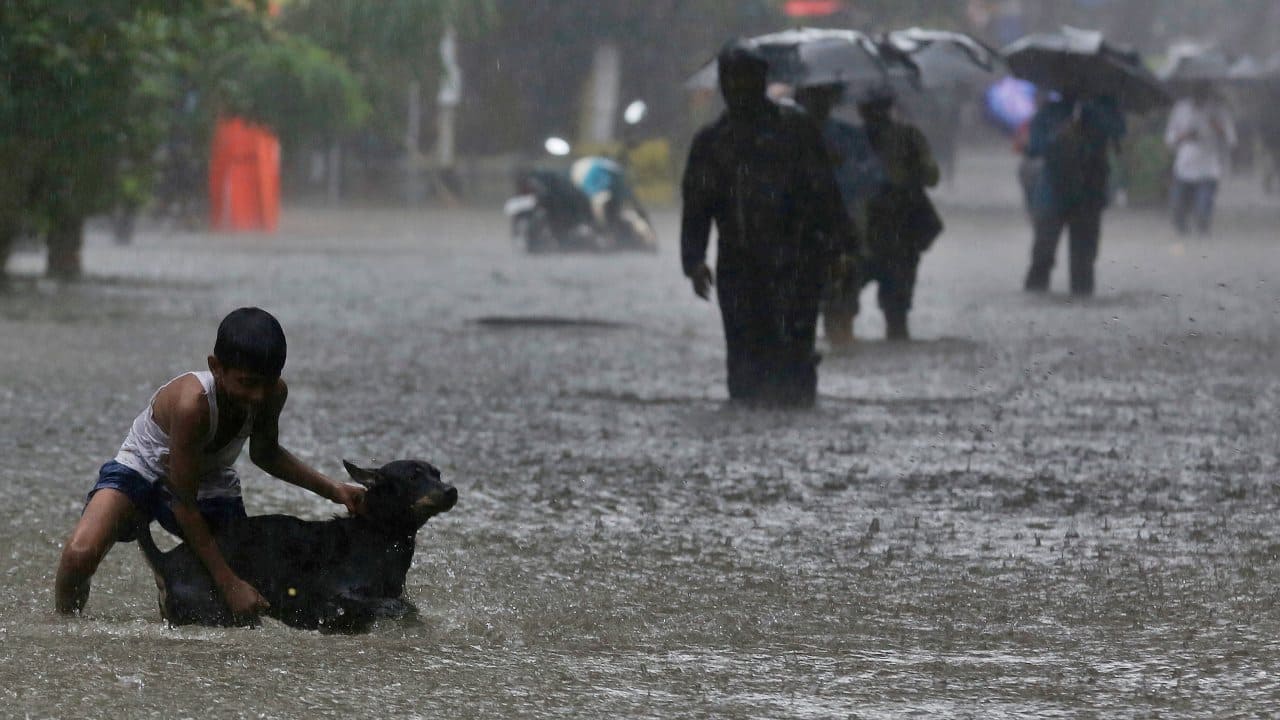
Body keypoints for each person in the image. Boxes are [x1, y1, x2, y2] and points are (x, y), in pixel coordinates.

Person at [54, 307, 366, 617]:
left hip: (210, 481)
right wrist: (229, 585)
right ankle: (65, 628)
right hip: (142, 470)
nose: (257, 396)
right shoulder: (194, 405)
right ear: (215, 367)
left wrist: (335, 491)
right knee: (79, 556)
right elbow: (184, 505)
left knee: (248, 581)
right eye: (247, 383)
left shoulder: (273, 394)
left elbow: (265, 453)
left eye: (267, 383)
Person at [680, 41, 855, 407]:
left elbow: (824, 192)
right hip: (740, 263)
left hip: (798, 260)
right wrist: (694, 261)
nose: (737, 88)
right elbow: (697, 205)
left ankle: (794, 404)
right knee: (745, 359)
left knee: (794, 354)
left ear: (761, 80)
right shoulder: (712, 142)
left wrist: (839, 247)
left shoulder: (796, 129)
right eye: (730, 80)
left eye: (745, 79)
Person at [793, 82, 883, 347]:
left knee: (843, 294)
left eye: (822, 96)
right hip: (798, 229)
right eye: (811, 96)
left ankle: (840, 334)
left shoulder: (848, 136)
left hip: (843, 226)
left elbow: (873, 179)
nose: (816, 103)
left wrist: (842, 168)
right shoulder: (785, 135)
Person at [855, 85, 942, 340]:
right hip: (899, 230)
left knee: (841, 308)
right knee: (897, 310)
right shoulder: (909, 137)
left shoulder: (850, 139)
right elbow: (932, 176)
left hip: (865, 229)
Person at [1022, 93, 1126, 296]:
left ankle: (1082, 301)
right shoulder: (1050, 112)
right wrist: (1059, 135)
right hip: (1053, 191)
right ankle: (1034, 297)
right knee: (1043, 254)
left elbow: (1118, 133)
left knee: (1083, 262)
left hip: (1089, 193)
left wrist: (1092, 117)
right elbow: (1034, 147)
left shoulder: (1104, 109)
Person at [1164, 82, 1236, 236]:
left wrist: (1218, 127)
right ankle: (1182, 230)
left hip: (1208, 167)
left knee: (1203, 208)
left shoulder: (1218, 110)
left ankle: (1203, 231)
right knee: (1177, 206)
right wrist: (1182, 136)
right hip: (1184, 165)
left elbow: (1231, 139)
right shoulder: (1181, 108)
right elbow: (1169, 137)